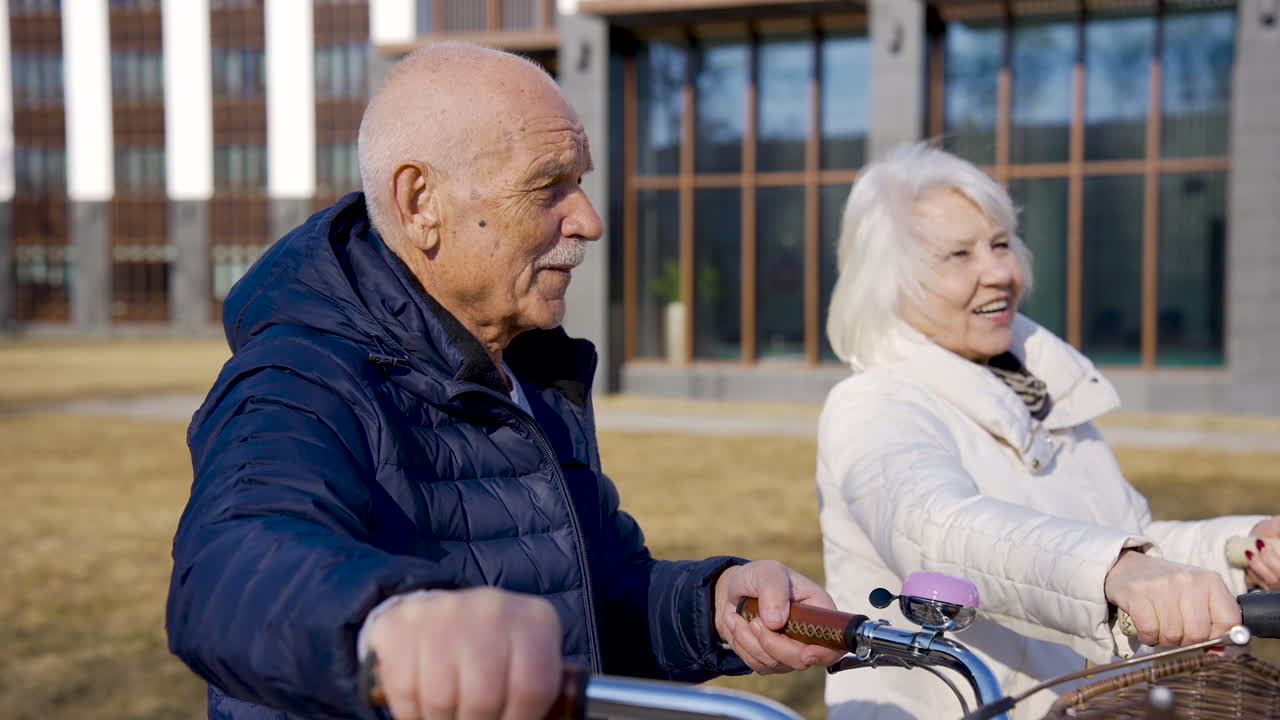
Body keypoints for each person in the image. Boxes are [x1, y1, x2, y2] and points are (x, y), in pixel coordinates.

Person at [166, 43, 843, 720]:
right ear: (420, 202)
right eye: (549, 186)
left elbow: (588, 605)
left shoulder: (531, 373)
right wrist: (387, 625)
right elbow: (230, 567)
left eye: (580, 182)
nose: (588, 221)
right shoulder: (300, 378)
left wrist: (713, 606)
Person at [815, 142, 1280, 720]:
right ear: (889, 281)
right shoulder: (874, 404)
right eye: (958, 255)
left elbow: (1127, 539)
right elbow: (940, 536)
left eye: (1001, 244)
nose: (1001, 273)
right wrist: (1114, 570)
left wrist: (1244, 547)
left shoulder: (1039, 388)